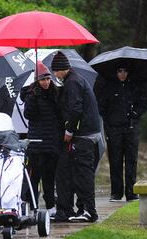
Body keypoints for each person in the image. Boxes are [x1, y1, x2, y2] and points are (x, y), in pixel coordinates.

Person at [52, 51, 101, 222]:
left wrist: (69, 131)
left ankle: (89, 211)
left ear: (60, 70)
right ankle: (80, 210)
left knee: (83, 175)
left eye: (54, 71)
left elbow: (75, 109)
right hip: (90, 132)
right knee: (79, 173)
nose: (54, 75)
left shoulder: (72, 82)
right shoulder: (75, 79)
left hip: (84, 135)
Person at [98, 67, 147, 202]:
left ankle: (131, 192)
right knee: (115, 161)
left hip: (131, 129)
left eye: (125, 71)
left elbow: (144, 103)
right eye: (119, 71)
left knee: (131, 160)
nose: (122, 74)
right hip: (114, 130)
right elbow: (102, 107)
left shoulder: (135, 87)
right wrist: (109, 124)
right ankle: (116, 192)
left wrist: (135, 114)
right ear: (116, 72)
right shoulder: (109, 88)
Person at [20, 61, 61, 216]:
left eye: (48, 79)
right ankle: (33, 206)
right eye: (43, 79)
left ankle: (51, 206)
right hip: (36, 144)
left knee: (49, 178)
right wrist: (34, 100)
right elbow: (29, 115)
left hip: (51, 143)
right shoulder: (31, 94)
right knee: (34, 178)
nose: (46, 82)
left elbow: (58, 115)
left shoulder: (55, 93)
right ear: (37, 80)